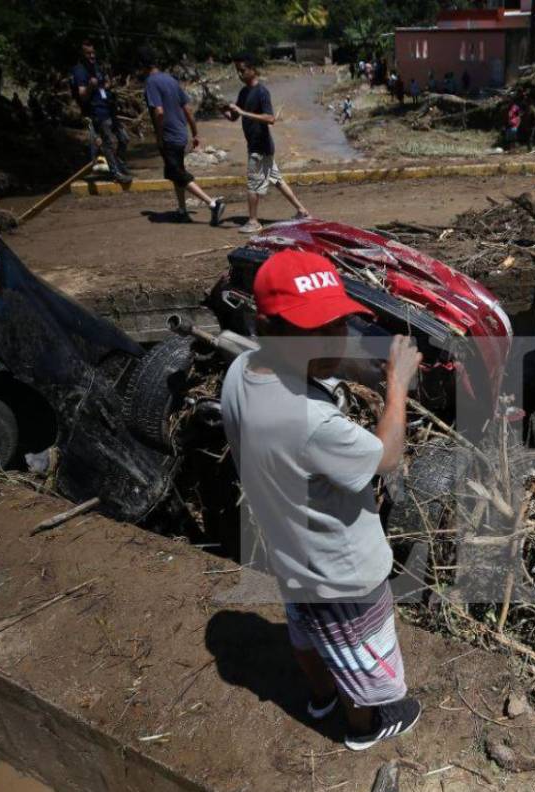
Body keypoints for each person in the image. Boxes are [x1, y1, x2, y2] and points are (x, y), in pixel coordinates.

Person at [219, 249, 424, 751]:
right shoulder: (311, 423)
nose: (334, 338)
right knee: (359, 652)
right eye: (314, 329)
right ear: (268, 325)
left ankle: (320, 697)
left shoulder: (242, 370)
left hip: (290, 552)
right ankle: (363, 726)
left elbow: (299, 384)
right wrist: (397, 386)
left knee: (307, 629)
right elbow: (387, 455)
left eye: (337, 322)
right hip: (342, 570)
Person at [139, 47, 225, 225]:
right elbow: (188, 109)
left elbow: (159, 113)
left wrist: (160, 137)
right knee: (175, 172)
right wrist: (195, 133)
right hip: (180, 134)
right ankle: (182, 210)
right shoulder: (171, 80)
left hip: (169, 136)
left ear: (142, 66)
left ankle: (212, 203)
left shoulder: (151, 83)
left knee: (177, 173)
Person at [225, 54, 309, 233]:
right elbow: (234, 117)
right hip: (256, 145)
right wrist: (227, 111)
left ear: (253, 70)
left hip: (260, 146)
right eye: (237, 71)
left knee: (253, 184)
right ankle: (302, 211)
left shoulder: (262, 92)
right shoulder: (243, 92)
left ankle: (254, 221)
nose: (240, 74)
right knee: (277, 180)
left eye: (242, 70)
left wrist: (243, 112)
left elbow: (270, 118)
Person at [70, 39, 132, 184]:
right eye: (88, 53)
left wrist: (109, 85)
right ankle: (115, 173)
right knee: (108, 142)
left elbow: (104, 84)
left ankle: (120, 163)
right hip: (96, 112)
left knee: (124, 138)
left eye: (93, 53)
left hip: (109, 109)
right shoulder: (80, 71)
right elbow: (82, 95)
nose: (92, 56)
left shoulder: (96, 67)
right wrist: (91, 86)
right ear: (82, 55)